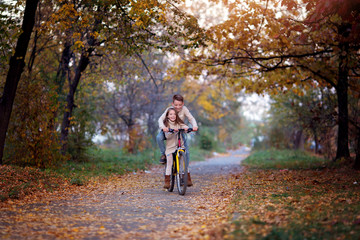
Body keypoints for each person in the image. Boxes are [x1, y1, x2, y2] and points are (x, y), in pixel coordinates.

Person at [157, 94, 198, 186]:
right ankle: (164, 154)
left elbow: (191, 118)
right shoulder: (169, 110)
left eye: (180, 105)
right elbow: (161, 119)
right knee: (159, 137)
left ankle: (185, 176)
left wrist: (194, 126)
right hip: (168, 130)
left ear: (182, 104)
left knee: (186, 151)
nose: (178, 107)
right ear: (173, 104)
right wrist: (163, 127)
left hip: (179, 130)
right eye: (176, 105)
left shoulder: (184, 109)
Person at [162, 107, 188, 188]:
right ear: (167, 116)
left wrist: (186, 128)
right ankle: (167, 181)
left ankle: (183, 177)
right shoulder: (167, 124)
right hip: (170, 147)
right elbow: (166, 135)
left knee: (181, 161)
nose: (173, 116)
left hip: (180, 145)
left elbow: (184, 126)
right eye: (171, 114)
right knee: (169, 162)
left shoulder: (178, 123)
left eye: (174, 114)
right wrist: (170, 131)